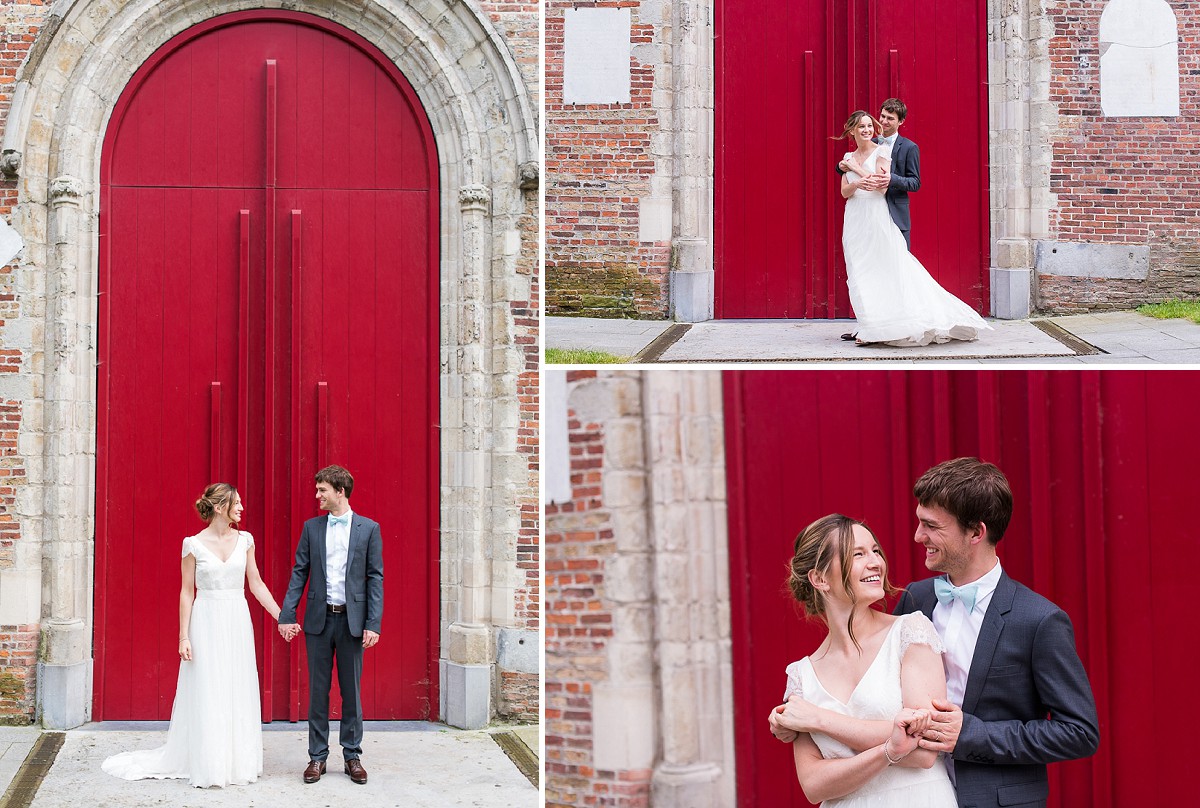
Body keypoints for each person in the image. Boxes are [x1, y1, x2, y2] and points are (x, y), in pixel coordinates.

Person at [773, 459, 1100, 808]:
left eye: (930, 526)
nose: (918, 536)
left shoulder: (1038, 620)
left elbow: (1079, 733)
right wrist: (798, 721)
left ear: (976, 532)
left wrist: (971, 734)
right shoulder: (917, 600)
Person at [102, 484, 282, 788]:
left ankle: (238, 763)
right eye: (236, 503)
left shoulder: (246, 541)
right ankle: (210, 763)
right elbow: (187, 592)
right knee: (209, 686)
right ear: (220, 507)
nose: (242, 508)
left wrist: (282, 616)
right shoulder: (193, 545)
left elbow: (256, 583)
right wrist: (183, 637)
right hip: (206, 620)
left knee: (237, 684)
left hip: (237, 619)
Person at [772, 514, 959, 807]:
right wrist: (890, 749)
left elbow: (925, 751)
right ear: (820, 578)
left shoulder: (910, 632)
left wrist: (820, 720)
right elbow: (814, 785)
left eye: (875, 551)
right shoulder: (801, 676)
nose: (876, 562)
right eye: (858, 554)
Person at [834, 108, 991, 347]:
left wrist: (855, 169)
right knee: (859, 270)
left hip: (876, 214)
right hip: (855, 217)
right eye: (861, 127)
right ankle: (869, 325)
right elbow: (845, 192)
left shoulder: (882, 152)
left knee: (886, 267)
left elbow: (881, 187)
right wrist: (853, 180)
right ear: (852, 131)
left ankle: (888, 325)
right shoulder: (847, 156)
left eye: (869, 126)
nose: (867, 130)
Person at [278, 465, 383, 785]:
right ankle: (317, 757)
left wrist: (373, 623)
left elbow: (374, 577)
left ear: (340, 491)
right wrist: (287, 613)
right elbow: (299, 572)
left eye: (322, 490)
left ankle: (352, 755)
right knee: (318, 692)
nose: (317, 496)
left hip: (352, 623)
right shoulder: (312, 528)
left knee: (352, 692)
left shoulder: (369, 529)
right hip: (319, 622)